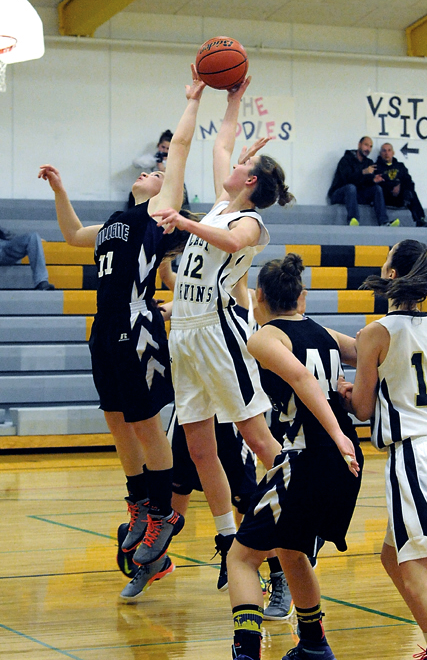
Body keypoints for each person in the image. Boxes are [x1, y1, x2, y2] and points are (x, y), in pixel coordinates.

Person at [38, 67, 206, 590]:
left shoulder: (158, 214)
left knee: (145, 425)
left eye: (158, 174)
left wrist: (194, 99)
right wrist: (61, 189)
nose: (152, 172)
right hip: (104, 329)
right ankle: (138, 506)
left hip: (137, 328)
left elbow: (177, 147)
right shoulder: (114, 219)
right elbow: (69, 236)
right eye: (151, 172)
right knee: (116, 421)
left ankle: (162, 512)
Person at [153, 78, 295, 592]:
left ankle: (291, 539)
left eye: (241, 168)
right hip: (185, 334)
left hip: (219, 332)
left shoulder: (249, 220)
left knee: (258, 440)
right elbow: (222, 140)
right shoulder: (223, 199)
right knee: (199, 447)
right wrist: (231, 93)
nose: (232, 163)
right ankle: (226, 539)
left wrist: (186, 223)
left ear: (252, 183)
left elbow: (231, 239)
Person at [227, 253, 362, 660]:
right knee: (290, 549)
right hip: (343, 460)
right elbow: (369, 353)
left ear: (259, 295)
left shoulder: (265, 338)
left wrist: (336, 433)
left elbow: (302, 377)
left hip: (309, 456)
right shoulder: (325, 334)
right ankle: (314, 645)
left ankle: (246, 652)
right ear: (301, 297)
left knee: (242, 558)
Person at [338, 239, 427, 660]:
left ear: (391, 275)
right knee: (396, 559)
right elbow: (388, 369)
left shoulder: (377, 332)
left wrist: (341, 392)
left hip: (414, 456)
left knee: (421, 574)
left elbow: (364, 408)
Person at [328, 136, 399, 227]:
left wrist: (373, 180)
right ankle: (353, 221)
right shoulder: (346, 159)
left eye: (370, 146)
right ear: (359, 145)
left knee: (377, 189)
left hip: (356, 195)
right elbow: (346, 179)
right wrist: (363, 172)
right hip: (339, 194)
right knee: (351, 187)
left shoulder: (369, 162)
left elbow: (364, 184)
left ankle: (384, 222)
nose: (368, 149)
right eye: (366, 145)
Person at [128, 129, 189, 210]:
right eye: (163, 147)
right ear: (158, 145)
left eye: (168, 148)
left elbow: (171, 180)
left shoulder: (173, 162)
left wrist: (162, 166)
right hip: (148, 192)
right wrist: (156, 160)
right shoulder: (151, 158)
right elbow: (136, 163)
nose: (165, 150)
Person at [376, 143, 427, 228]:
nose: (386, 153)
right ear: (380, 153)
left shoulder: (400, 166)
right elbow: (379, 182)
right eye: (384, 150)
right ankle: (384, 221)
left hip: (400, 197)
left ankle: (420, 219)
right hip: (386, 197)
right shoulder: (376, 167)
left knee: (411, 191)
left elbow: (409, 181)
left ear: (393, 153)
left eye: (389, 150)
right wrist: (392, 186)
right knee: (378, 189)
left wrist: (399, 185)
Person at [0, 225, 55, 290]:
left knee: (32, 237)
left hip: (4, 247)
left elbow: (5, 233)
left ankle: (41, 282)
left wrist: (36, 241)